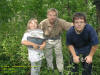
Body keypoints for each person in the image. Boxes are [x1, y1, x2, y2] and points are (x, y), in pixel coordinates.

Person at [39, 8, 73, 75]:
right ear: (47, 15)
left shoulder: (60, 21)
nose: (52, 17)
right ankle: (50, 70)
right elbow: (37, 32)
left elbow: (70, 25)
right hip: (47, 40)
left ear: (56, 16)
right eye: (50, 15)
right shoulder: (43, 23)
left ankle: (60, 71)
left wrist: (80, 24)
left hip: (57, 40)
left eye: (54, 15)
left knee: (59, 55)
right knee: (48, 56)